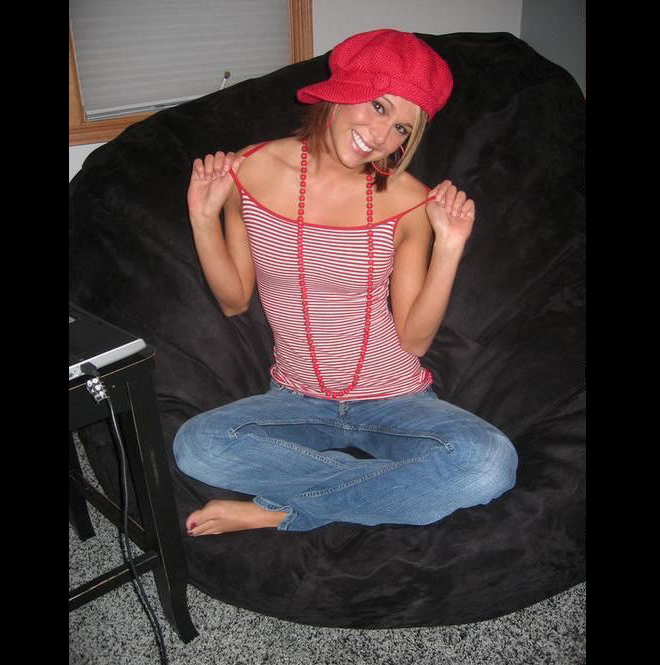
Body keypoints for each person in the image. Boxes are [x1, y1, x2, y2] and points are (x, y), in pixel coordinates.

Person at [173, 29, 518, 536]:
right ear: (342, 90)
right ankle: (391, 488)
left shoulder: (409, 201)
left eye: (400, 128)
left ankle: (286, 511)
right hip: (295, 398)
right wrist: (202, 218)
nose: (381, 137)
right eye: (378, 106)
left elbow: (414, 341)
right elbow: (233, 301)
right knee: (196, 447)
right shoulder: (250, 170)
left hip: (394, 399)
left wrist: (449, 247)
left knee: (490, 463)